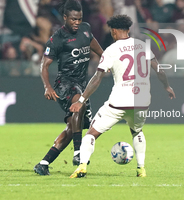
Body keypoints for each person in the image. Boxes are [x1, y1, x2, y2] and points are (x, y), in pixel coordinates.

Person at [68, 15, 176, 178]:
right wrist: (166, 86)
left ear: (114, 31)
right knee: (137, 131)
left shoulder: (111, 50)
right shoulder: (143, 46)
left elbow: (97, 79)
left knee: (91, 134)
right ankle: (141, 169)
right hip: (142, 101)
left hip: (119, 102)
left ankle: (82, 167)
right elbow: (159, 69)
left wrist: (81, 100)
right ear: (128, 30)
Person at [33, 0, 103, 175]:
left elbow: (97, 48)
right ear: (65, 17)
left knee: (73, 128)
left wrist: (107, 59)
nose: (77, 23)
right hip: (64, 84)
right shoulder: (57, 38)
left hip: (81, 85)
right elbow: (44, 65)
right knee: (79, 105)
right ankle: (78, 152)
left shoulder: (86, 29)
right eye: (73, 19)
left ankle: (43, 163)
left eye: (79, 19)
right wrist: (47, 87)